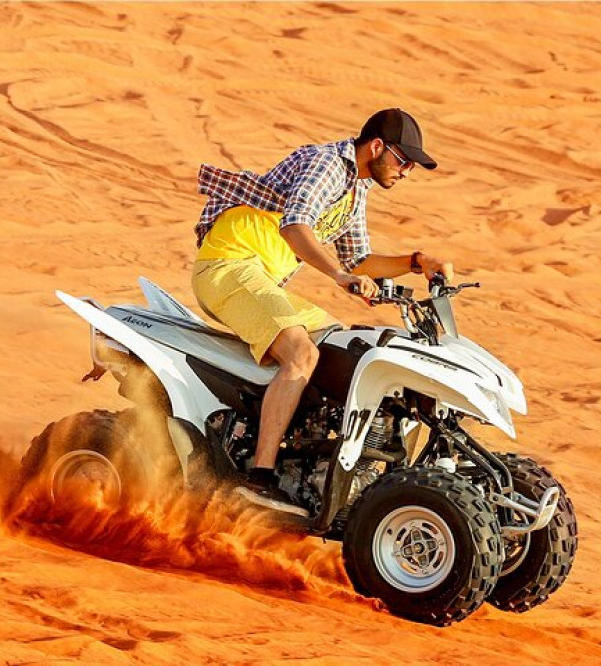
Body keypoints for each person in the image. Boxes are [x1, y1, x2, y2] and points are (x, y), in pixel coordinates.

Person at [191, 108, 454, 514]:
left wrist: (417, 262)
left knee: (345, 351)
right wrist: (336, 275)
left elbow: (359, 260)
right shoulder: (329, 166)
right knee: (302, 353)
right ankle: (259, 478)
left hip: (256, 279)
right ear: (377, 147)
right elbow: (294, 226)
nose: (406, 172)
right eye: (402, 160)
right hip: (230, 265)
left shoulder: (356, 190)